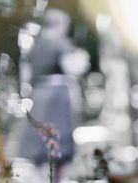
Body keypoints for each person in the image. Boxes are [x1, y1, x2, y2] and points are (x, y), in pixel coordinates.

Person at [20, 8, 88, 169]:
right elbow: (72, 68)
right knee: (58, 134)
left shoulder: (36, 43)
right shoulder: (60, 43)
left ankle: (40, 174)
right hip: (57, 95)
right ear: (59, 24)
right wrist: (82, 59)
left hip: (39, 93)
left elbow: (26, 70)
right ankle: (55, 177)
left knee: (40, 133)